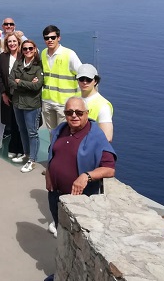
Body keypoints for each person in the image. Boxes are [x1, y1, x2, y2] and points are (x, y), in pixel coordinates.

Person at [45, 96, 116, 237]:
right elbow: (52, 152)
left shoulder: (96, 136)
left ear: (87, 113)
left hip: (78, 201)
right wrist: (48, 173)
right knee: (61, 232)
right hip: (55, 194)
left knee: (75, 238)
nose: (74, 116)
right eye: (69, 112)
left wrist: (86, 176)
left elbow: (109, 169)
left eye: (79, 112)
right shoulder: (61, 129)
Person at [41, 25, 82, 131]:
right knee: (52, 133)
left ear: (59, 38)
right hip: (47, 101)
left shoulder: (69, 54)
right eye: (47, 38)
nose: (50, 40)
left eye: (53, 37)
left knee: (65, 133)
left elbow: (82, 74)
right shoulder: (43, 53)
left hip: (64, 103)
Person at [11, 39, 44, 173]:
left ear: (35, 49)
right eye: (25, 49)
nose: (28, 51)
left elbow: (37, 86)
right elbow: (10, 80)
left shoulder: (38, 66)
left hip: (32, 105)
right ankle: (26, 154)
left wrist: (20, 82)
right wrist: (27, 83)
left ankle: (32, 160)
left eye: (30, 48)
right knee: (22, 130)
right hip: (18, 102)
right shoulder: (18, 63)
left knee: (32, 133)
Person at [0, 33, 24, 159]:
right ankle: (13, 147)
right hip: (9, 95)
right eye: (9, 42)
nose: (12, 44)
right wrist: (3, 94)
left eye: (14, 41)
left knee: (22, 124)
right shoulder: (3, 56)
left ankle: (22, 149)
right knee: (12, 123)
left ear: (18, 42)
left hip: (22, 96)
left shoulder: (23, 56)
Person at [77, 64, 114, 142]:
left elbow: (107, 137)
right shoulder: (74, 98)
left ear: (95, 81)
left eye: (88, 79)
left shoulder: (103, 106)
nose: (85, 82)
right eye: (81, 79)